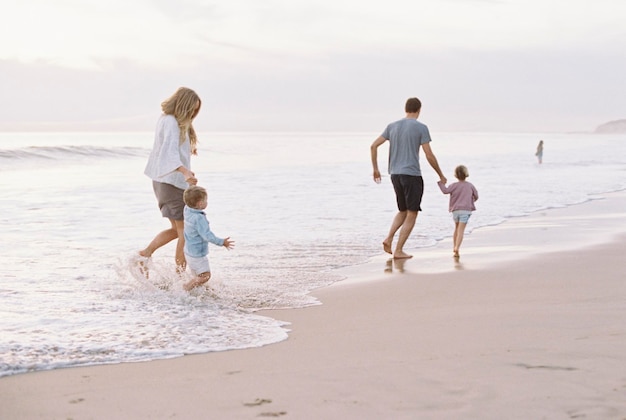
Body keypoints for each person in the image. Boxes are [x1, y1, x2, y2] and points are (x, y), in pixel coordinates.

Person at [370, 97, 447, 259]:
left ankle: (388, 238)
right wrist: (440, 174)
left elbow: (373, 145)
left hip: (395, 175)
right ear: (419, 109)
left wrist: (376, 169)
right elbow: (429, 154)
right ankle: (398, 250)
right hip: (411, 175)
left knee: (402, 210)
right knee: (412, 213)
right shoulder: (421, 128)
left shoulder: (392, 126)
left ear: (406, 109)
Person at [138, 87, 202, 274]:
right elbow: (169, 153)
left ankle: (144, 255)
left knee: (177, 229)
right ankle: (181, 278)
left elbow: (168, 149)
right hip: (171, 182)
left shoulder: (166, 119)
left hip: (165, 181)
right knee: (186, 232)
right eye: (191, 109)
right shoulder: (171, 122)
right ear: (183, 105)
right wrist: (184, 171)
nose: (193, 114)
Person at [181, 185, 234, 291]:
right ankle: (186, 288)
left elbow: (190, 198)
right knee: (205, 276)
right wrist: (221, 242)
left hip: (188, 250)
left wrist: (192, 189)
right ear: (200, 203)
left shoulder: (187, 209)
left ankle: (195, 291)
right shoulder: (199, 218)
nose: (207, 202)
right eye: (206, 200)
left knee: (197, 274)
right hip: (197, 254)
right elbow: (207, 235)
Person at [437, 165, 479, 259]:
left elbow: (445, 191)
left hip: (455, 210)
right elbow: (476, 196)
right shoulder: (470, 185)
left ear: (456, 175)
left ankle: (454, 247)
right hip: (466, 210)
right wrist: (470, 201)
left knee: (456, 229)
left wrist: (441, 183)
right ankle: (457, 248)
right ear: (466, 174)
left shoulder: (453, 185)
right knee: (461, 231)